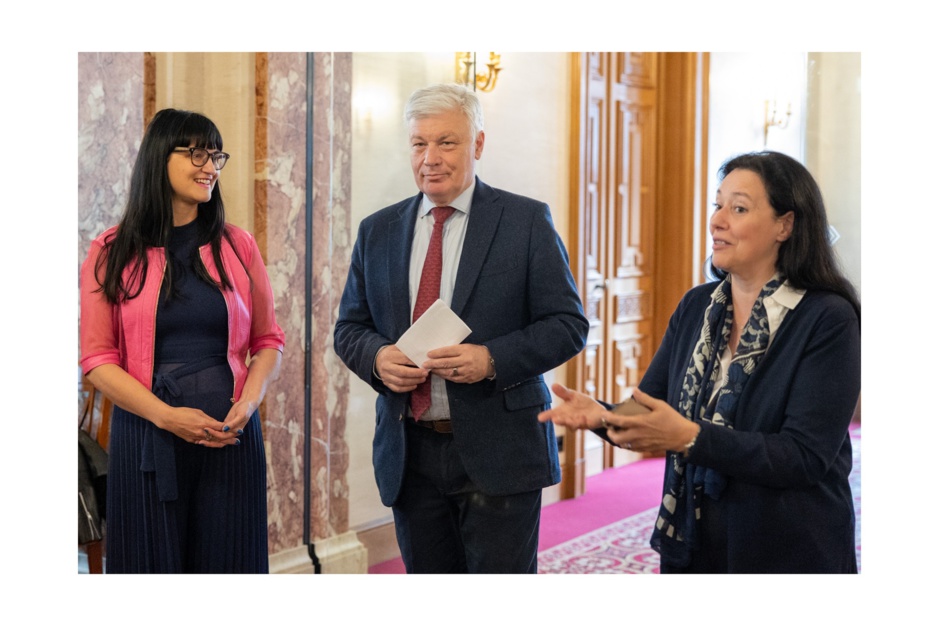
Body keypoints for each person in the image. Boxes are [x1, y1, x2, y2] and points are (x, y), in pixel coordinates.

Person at [540, 151, 860, 573]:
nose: (717, 220)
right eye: (718, 205)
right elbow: (649, 410)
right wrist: (602, 415)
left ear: (785, 224)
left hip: (787, 544)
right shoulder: (697, 306)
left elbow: (803, 456)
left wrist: (691, 437)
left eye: (739, 208)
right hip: (695, 537)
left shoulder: (828, 318)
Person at [334, 83, 588, 574]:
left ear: (477, 144)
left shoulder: (525, 221)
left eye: (446, 142)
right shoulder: (378, 230)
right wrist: (377, 357)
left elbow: (568, 324)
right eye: (418, 143)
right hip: (410, 454)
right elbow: (350, 325)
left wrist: (491, 359)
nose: (430, 157)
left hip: (501, 449)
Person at [80, 108, 285, 573]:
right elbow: (97, 359)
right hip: (148, 437)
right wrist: (167, 417)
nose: (209, 165)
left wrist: (248, 407)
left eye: (216, 155)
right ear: (158, 157)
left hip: (230, 438)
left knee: (229, 568)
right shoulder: (111, 251)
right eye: (196, 152)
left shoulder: (239, 245)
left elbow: (269, 340)